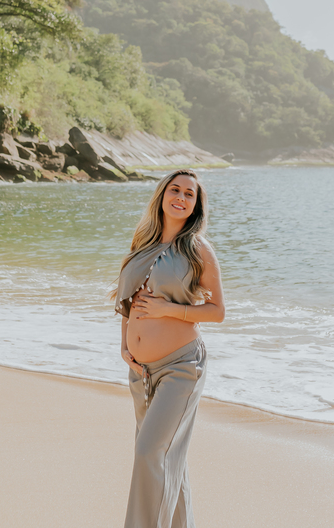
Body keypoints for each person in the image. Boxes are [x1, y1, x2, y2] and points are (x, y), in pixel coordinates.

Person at [113, 169, 225, 528]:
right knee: (168, 458)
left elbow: (217, 311)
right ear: (162, 195)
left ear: (195, 206)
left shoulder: (198, 249)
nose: (181, 197)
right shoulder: (143, 243)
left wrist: (168, 310)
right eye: (175, 189)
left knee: (150, 453)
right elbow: (128, 302)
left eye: (189, 194)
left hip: (181, 367)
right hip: (141, 372)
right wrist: (124, 345)